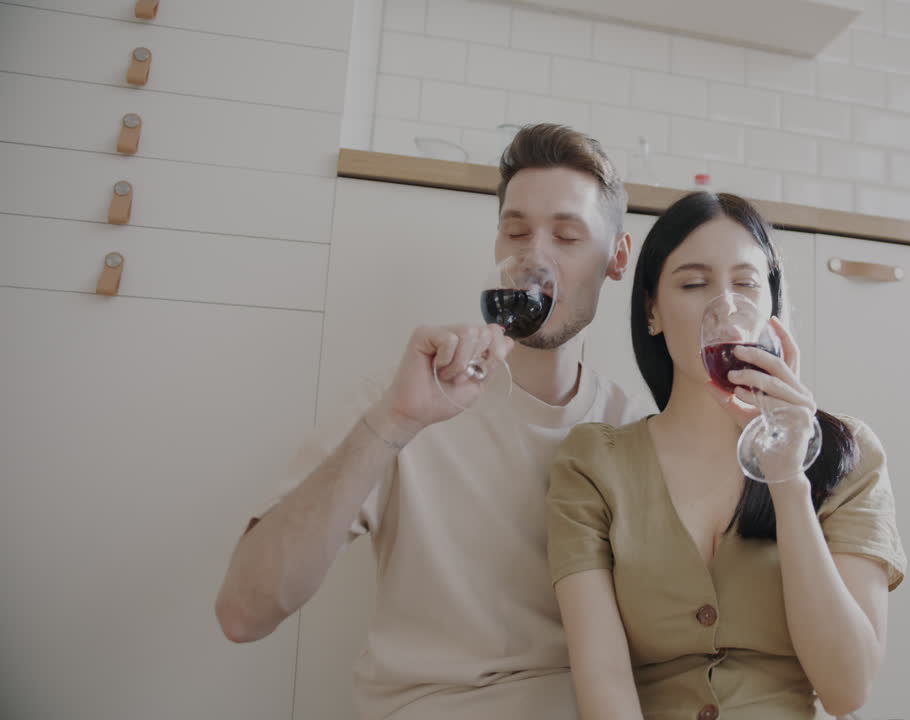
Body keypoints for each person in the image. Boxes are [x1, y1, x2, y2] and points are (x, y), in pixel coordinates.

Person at [214, 124, 653, 720]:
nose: (534, 258)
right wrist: (395, 422)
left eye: (567, 236)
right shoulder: (402, 398)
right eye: (516, 231)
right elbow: (243, 612)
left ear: (616, 258)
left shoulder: (631, 429)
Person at [547, 192, 907, 719]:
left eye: (746, 285)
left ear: (773, 309)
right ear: (652, 310)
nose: (726, 308)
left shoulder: (847, 455)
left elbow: (847, 688)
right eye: (694, 285)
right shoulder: (593, 464)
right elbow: (602, 681)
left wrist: (787, 478)